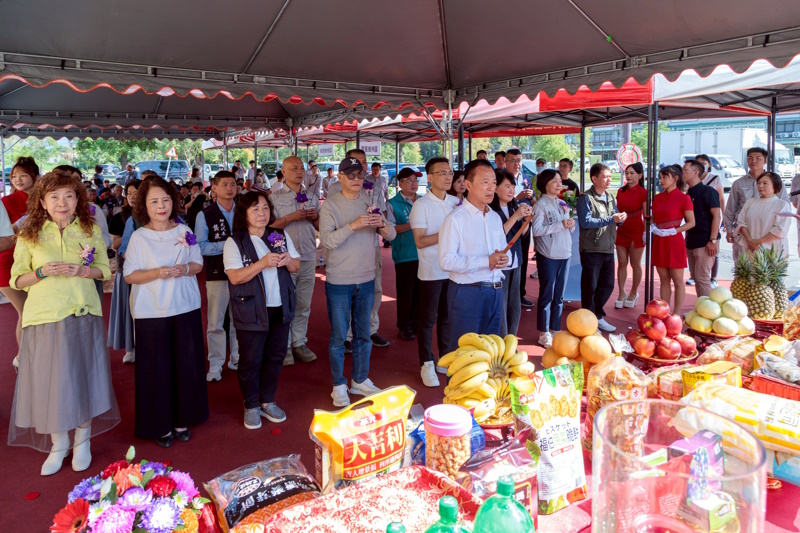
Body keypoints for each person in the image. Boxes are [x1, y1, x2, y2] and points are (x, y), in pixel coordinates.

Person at [9, 170, 117, 476]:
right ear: (42, 201)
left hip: (82, 312)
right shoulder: (29, 234)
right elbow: (17, 278)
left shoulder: (88, 228)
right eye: (54, 197)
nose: (62, 202)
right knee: (50, 382)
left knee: (83, 377)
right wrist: (41, 272)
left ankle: (83, 441)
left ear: (78, 199)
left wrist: (82, 272)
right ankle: (59, 444)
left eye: (69, 195)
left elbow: (103, 270)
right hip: (43, 316)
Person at [123, 176, 208, 447]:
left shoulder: (184, 231)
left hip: (185, 306)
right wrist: (157, 273)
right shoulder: (139, 236)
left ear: (174, 201)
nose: (161, 206)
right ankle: (159, 424)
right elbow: (129, 276)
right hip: (151, 312)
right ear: (143, 206)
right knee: (156, 370)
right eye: (154, 202)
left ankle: (183, 418)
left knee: (186, 365)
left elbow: (197, 263)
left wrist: (184, 269)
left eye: (166, 200)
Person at [319, 157, 395, 407]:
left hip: (366, 277)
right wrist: (354, 225)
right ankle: (339, 383)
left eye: (360, 176)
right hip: (339, 280)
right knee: (339, 336)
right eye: (350, 175)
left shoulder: (371, 201)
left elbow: (392, 234)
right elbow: (327, 241)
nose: (356, 180)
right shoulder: (330, 205)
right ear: (339, 177)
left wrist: (381, 224)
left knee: (363, 335)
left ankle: (360, 379)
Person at [224, 190, 300, 429]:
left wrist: (288, 260)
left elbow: (297, 266)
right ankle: (251, 404)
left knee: (275, 356)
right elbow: (235, 277)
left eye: (265, 208)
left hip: (280, 307)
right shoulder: (235, 241)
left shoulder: (279, 235)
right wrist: (262, 263)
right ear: (244, 214)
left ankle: (267, 401)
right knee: (250, 360)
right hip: (251, 310)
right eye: (255, 209)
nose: (261, 213)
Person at [439, 159, 510, 350]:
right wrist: (486, 261)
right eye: (485, 182)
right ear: (468, 184)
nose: (491, 188)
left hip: (495, 291)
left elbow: (503, 251)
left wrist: (504, 259)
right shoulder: (455, 219)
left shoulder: (495, 217)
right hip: (468, 292)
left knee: (491, 353)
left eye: (494, 182)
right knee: (464, 355)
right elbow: (446, 261)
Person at [328, 149, 392, 349]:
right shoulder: (336, 188)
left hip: (370, 244)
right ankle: (346, 335)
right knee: (347, 294)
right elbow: (331, 228)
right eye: (356, 163)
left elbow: (382, 213)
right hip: (345, 248)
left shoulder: (374, 186)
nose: (362, 167)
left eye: (364, 163)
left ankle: (370, 329)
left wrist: (379, 221)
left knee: (375, 288)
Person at [410, 157, 459, 387]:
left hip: (452, 270)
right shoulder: (422, 205)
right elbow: (419, 241)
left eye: (449, 172)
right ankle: (426, 363)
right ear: (429, 178)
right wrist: (447, 232)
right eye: (442, 173)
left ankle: (445, 358)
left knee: (448, 318)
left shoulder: (455, 202)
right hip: (430, 271)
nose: (448, 176)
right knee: (428, 320)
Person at [270, 156, 320, 365]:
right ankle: (285, 345)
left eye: (302, 168)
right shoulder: (274, 197)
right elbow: (269, 226)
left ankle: (299, 342)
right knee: (285, 304)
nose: (299, 172)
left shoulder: (311, 196)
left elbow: (319, 225)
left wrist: (312, 216)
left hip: (308, 254)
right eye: (293, 168)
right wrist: (293, 216)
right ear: (283, 170)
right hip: (285, 257)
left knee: (303, 303)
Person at [195, 171, 240, 381]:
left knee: (239, 318)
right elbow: (201, 246)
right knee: (216, 321)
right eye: (224, 184)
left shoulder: (243, 210)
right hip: (217, 273)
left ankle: (237, 357)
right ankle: (215, 362)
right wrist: (230, 244)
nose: (230, 188)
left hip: (242, 272)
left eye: (233, 184)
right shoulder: (205, 214)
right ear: (214, 188)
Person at [577, 163, 626, 332]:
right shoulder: (586, 198)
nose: (609, 180)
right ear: (594, 178)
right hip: (591, 249)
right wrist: (611, 220)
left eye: (610, 177)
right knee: (590, 286)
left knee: (608, 285)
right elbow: (585, 222)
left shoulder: (610, 197)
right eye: (605, 176)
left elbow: (614, 216)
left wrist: (620, 218)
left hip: (607, 247)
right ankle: (588, 321)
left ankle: (597, 316)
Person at [530, 169, 576, 347]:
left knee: (559, 296)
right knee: (547, 294)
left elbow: (567, 227)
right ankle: (544, 332)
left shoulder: (562, 203)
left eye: (560, 181)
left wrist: (570, 224)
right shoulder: (540, 205)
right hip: (548, 255)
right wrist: (560, 225)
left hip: (565, 253)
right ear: (545, 184)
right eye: (555, 181)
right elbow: (537, 230)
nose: (559, 184)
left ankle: (555, 328)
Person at [1, 157, 38, 364]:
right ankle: (22, 357)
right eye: (14, 176)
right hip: (8, 260)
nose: (18, 179)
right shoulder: (6, 202)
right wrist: (19, 225)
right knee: (25, 311)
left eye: (23, 175)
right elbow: (5, 236)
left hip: (34, 261)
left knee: (34, 310)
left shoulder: (44, 198)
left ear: (35, 176)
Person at [724, 147, 790, 261]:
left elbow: (784, 213)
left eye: (758, 158)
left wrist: (760, 241)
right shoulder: (738, 184)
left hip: (769, 239)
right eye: (750, 158)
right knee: (744, 272)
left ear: (765, 161)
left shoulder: (776, 183)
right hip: (744, 236)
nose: (754, 161)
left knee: (768, 274)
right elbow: (731, 209)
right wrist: (730, 230)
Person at [490, 169, 531, 337]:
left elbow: (522, 234)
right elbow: (498, 235)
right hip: (500, 265)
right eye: (506, 186)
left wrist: (525, 219)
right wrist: (515, 217)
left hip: (516, 261)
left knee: (514, 305)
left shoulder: (514, 206)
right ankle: (502, 342)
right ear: (495, 188)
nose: (511, 191)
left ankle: (511, 340)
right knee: (501, 305)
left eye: (513, 187)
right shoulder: (489, 211)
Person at [651, 165, 695, 314]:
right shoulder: (657, 198)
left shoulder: (684, 198)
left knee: (677, 280)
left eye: (665, 177)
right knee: (664, 280)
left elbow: (691, 222)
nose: (661, 180)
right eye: (661, 177)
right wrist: (653, 227)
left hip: (674, 240)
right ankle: (664, 312)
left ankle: (676, 314)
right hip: (659, 240)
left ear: (675, 178)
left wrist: (674, 230)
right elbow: (653, 219)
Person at [108, 179, 141, 363]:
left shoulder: (154, 214)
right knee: (129, 309)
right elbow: (114, 244)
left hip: (149, 269)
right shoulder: (120, 216)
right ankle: (130, 348)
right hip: (127, 269)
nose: (133, 197)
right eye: (130, 194)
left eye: (137, 193)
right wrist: (136, 236)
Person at [387, 167, 420, 340]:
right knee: (406, 292)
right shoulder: (392, 204)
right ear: (400, 183)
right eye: (409, 180)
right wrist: (414, 224)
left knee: (421, 293)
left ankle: (417, 323)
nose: (414, 184)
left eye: (416, 180)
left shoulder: (423, 201)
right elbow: (390, 230)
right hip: (405, 255)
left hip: (424, 254)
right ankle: (404, 325)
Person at [683, 160, 721, 298]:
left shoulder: (708, 191)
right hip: (691, 241)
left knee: (702, 277)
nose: (683, 173)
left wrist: (713, 240)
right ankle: (701, 309)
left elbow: (717, 216)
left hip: (706, 241)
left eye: (686, 170)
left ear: (696, 172)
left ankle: (706, 311)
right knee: (695, 276)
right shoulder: (687, 193)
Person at [735, 171, 792, 258]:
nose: (760, 186)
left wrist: (758, 242)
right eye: (758, 183)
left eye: (765, 183)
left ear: (775, 185)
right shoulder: (750, 202)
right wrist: (750, 241)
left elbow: (780, 229)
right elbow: (741, 223)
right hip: (751, 249)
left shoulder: (782, 205)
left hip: (773, 251)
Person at [614, 162, 647, 308]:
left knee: (635, 264)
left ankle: (634, 292)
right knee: (621, 263)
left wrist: (646, 232)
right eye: (627, 173)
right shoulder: (620, 191)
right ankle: (621, 292)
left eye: (632, 173)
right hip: (621, 229)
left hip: (636, 230)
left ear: (640, 175)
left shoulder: (643, 192)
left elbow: (646, 215)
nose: (628, 176)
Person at [505, 148, 534, 308]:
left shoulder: (525, 178)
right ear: (505, 162)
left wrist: (531, 198)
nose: (517, 164)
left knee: (522, 259)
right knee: (508, 258)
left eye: (519, 160)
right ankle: (507, 295)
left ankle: (520, 294)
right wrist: (518, 197)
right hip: (508, 222)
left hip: (524, 222)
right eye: (513, 161)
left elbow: (534, 198)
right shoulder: (502, 178)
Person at [695, 154, 725, 288]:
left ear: (709, 164)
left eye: (703, 162)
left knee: (713, 248)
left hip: (712, 216)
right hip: (697, 219)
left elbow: (721, 199)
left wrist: (724, 217)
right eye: (698, 163)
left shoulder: (715, 179)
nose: (701, 165)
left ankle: (713, 277)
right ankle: (693, 274)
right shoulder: (692, 180)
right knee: (696, 251)